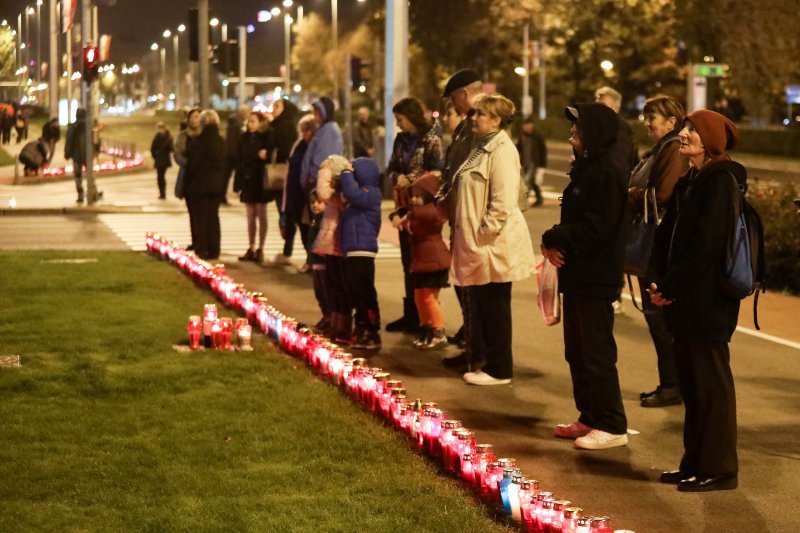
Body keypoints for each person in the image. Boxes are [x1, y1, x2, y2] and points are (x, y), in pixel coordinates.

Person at [649, 110, 744, 492]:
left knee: (711, 386)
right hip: (684, 299)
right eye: (684, 128)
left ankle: (720, 468)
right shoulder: (692, 179)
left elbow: (705, 245)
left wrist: (670, 286)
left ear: (710, 140)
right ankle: (694, 461)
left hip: (707, 302)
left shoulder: (721, 180)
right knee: (692, 385)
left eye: (691, 130)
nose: (682, 135)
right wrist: (658, 279)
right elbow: (666, 234)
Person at [541, 102, 629, 449]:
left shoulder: (607, 171)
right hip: (577, 275)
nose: (571, 135)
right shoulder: (587, 167)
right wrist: (553, 237)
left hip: (596, 276)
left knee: (596, 351)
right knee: (576, 350)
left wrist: (556, 236)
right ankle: (589, 415)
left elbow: (597, 229)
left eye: (577, 130)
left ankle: (612, 423)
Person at [450, 94, 535, 386]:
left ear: (497, 120)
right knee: (487, 305)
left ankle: (500, 369)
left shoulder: (502, 150)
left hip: (493, 244)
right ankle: (490, 364)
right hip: (482, 242)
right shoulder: (483, 147)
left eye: (481, 114)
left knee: (496, 307)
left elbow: (502, 200)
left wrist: (483, 232)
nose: (475, 118)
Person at [627, 95, 688, 408]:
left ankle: (673, 384)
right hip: (652, 243)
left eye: (653, 116)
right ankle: (670, 382)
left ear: (671, 122)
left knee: (660, 319)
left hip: (658, 246)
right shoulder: (660, 149)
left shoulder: (673, 149)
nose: (647, 122)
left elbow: (662, 194)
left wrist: (631, 195)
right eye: (646, 116)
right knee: (656, 319)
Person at [385, 97, 444, 334]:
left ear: (412, 117)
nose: (398, 125)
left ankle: (429, 320)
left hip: (423, 207)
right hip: (403, 205)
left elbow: (437, 172)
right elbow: (391, 167)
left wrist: (411, 180)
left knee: (424, 263)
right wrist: (396, 178)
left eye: (401, 120)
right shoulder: (401, 140)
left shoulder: (432, 140)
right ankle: (412, 314)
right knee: (408, 262)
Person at [437, 68, 483, 369]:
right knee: (461, 281)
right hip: (458, 213)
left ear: (465, 93)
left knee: (473, 285)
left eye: (454, 97)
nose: (453, 104)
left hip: (472, 215)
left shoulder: (483, 123)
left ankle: (478, 349)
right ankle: (471, 342)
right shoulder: (468, 124)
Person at [392, 172, 451, 350]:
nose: (414, 200)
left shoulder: (434, 212)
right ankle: (426, 328)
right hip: (421, 262)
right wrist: (401, 216)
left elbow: (425, 214)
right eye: (413, 196)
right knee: (419, 297)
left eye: (419, 196)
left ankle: (438, 332)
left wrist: (407, 218)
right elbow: (407, 215)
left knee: (430, 299)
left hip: (434, 262)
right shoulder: (416, 213)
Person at [596, 86, 638, 315]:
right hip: (610, 197)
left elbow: (619, 165)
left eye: (602, 103)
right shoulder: (602, 127)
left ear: (616, 106)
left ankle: (613, 295)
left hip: (613, 199)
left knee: (612, 246)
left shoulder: (618, 128)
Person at [340, 157, 383, 350]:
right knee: (355, 291)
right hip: (353, 250)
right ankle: (361, 326)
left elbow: (351, 193)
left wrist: (347, 173)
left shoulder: (370, 193)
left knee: (365, 292)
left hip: (363, 251)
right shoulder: (360, 196)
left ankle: (372, 331)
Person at [311, 155, 351, 343]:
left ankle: (342, 326)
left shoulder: (342, 192)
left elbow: (323, 193)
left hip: (338, 244)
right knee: (332, 286)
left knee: (340, 287)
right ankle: (335, 324)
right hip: (331, 245)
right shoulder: (337, 192)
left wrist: (325, 170)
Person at [184, 110, 226, 261]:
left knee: (200, 219)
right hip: (216, 185)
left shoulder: (200, 142)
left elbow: (193, 165)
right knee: (213, 218)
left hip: (199, 186)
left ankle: (202, 249)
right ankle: (214, 249)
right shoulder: (221, 141)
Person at [233, 112, 271, 264]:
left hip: (260, 180)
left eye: (253, 121)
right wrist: (238, 184)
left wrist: (264, 155)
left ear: (260, 123)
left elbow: (269, 155)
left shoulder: (265, 137)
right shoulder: (243, 138)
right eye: (249, 121)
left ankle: (261, 248)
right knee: (250, 216)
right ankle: (251, 247)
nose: (250, 124)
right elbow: (240, 161)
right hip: (248, 180)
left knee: (261, 214)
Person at [283, 114, 318, 274]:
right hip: (295, 192)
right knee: (302, 226)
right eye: (302, 130)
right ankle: (309, 259)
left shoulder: (313, 147)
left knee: (307, 227)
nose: (304, 133)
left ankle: (312, 260)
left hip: (305, 193)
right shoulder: (299, 144)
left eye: (307, 130)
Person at [267, 98, 300, 265]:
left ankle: (288, 249)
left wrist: (267, 154)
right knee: (285, 213)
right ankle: (287, 247)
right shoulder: (276, 125)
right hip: (282, 176)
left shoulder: (285, 127)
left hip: (284, 176)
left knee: (287, 213)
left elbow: (283, 150)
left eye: (277, 106)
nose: (273, 109)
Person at [174, 108, 202, 249]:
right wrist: (187, 163)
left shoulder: (204, 135)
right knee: (192, 211)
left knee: (201, 212)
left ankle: (201, 240)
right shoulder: (184, 136)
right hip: (187, 176)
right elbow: (177, 154)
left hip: (201, 177)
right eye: (192, 117)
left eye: (197, 116)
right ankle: (195, 239)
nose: (194, 119)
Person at [516, 116, 547, 207]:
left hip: (534, 163)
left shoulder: (538, 136)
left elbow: (543, 150)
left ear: (532, 125)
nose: (526, 127)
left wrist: (542, 165)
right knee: (534, 182)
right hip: (525, 163)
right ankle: (539, 199)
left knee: (527, 182)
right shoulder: (522, 136)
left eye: (528, 124)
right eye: (525, 125)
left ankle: (522, 201)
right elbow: (518, 148)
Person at [223, 105, 248, 204]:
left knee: (226, 176)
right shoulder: (239, 124)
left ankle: (224, 195)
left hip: (229, 153)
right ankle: (239, 192)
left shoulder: (233, 122)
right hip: (235, 154)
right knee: (238, 175)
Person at [64, 108, 88, 204]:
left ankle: (81, 194)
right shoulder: (88, 126)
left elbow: (69, 141)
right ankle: (92, 191)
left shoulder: (73, 127)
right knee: (90, 174)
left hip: (76, 155)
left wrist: (67, 153)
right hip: (87, 154)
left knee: (78, 176)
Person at [150, 121, 174, 200]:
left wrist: (155, 156)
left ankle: (162, 193)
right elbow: (172, 148)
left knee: (160, 177)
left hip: (160, 159)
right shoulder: (169, 136)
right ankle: (163, 193)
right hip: (165, 160)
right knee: (161, 177)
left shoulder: (158, 136)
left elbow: (153, 148)